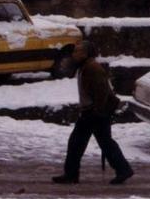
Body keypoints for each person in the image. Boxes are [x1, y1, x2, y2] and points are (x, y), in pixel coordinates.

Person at [53, 35, 133, 186]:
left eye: (77, 51)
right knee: (88, 143)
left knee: (84, 143)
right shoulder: (84, 66)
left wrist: (97, 111)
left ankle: (72, 175)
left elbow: (102, 92)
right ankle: (122, 169)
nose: (74, 54)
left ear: (85, 53)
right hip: (92, 112)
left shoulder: (92, 68)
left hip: (95, 113)